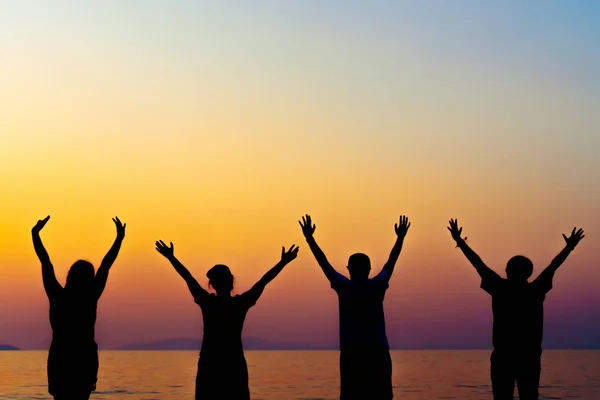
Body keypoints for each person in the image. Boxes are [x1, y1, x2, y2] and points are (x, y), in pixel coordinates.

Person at [447, 219, 585, 400]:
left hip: (504, 358)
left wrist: (459, 241)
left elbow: (478, 264)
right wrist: (569, 248)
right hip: (529, 358)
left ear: (506, 270)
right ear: (529, 272)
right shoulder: (535, 290)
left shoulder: (500, 288)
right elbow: (553, 266)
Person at [155, 239, 299, 400]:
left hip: (211, 364)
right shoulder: (239, 303)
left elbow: (188, 278)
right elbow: (263, 281)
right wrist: (283, 262)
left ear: (212, 285)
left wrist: (171, 258)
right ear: (231, 282)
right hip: (232, 364)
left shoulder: (209, 302)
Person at [299, 214, 410, 400]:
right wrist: (400, 238)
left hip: (353, 353)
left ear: (349, 269)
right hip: (377, 353)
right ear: (368, 269)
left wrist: (309, 239)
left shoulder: (345, 287)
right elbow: (391, 262)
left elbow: (324, 264)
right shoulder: (377, 285)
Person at [32, 216, 126, 400]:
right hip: (82, 360)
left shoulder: (58, 296)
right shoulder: (89, 297)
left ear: (70, 276)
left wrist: (35, 234)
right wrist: (119, 239)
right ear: (89, 279)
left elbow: (45, 262)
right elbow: (106, 266)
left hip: (62, 359)